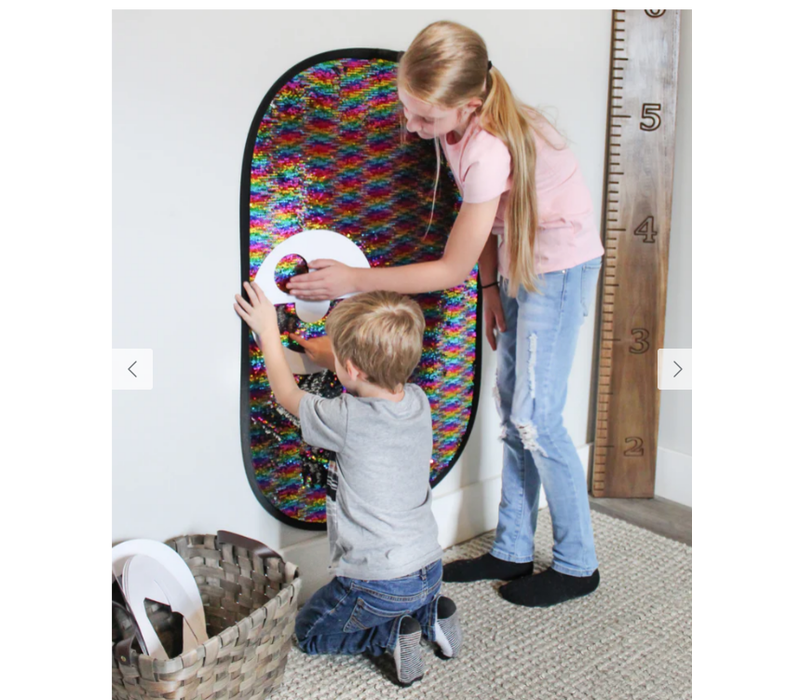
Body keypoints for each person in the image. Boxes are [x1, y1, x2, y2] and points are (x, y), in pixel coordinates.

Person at [287, 20, 605, 609]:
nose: (412, 127)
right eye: (407, 111)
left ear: (470, 105)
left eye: (425, 119)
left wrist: (355, 279)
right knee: (513, 413)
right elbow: (482, 230)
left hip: (557, 268)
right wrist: (491, 287)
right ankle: (511, 546)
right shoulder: (455, 128)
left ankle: (578, 561)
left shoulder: (488, 148)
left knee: (538, 418)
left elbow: (447, 268)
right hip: (516, 260)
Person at [234, 283, 463, 687]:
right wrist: (339, 355)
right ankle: (434, 617)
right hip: (428, 567)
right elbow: (368, 372)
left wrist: (269, 331)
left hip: (378, 580)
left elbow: (287, 393)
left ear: (352, 369)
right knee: (414, 598)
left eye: (337, 357)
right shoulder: (418, 401)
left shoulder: (347, 418)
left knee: (309, 632)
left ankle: (388, 635)